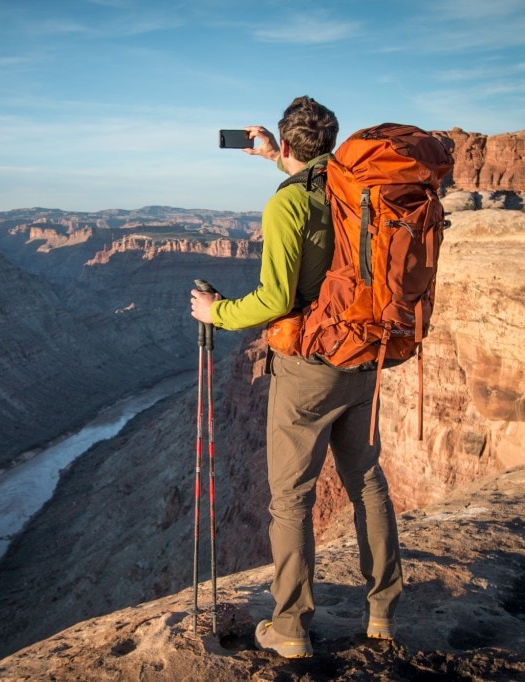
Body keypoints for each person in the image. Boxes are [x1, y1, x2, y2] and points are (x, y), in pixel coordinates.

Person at [190, 96, 403, 659]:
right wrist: (274, 156)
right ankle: (382, 612)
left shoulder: (287, 204)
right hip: (365, 355)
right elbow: (317, 178)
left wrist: (219, 313)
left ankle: (289, 626)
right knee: (366, 483)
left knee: (290, 501)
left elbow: (277, 296)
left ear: (285, 143)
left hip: (311, 366)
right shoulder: (352, 187)